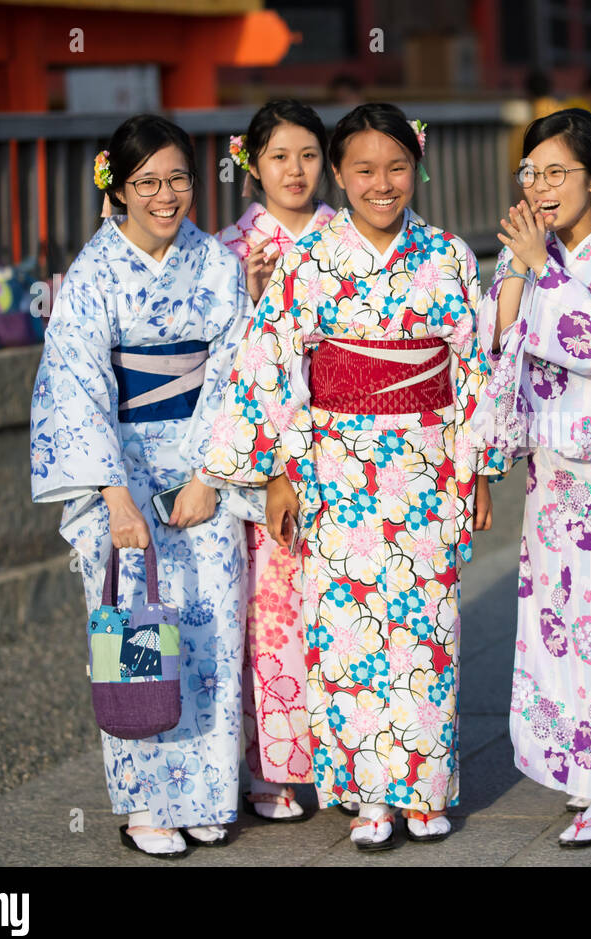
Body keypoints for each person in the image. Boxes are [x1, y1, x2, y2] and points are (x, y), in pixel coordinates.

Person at [205, 103, 504, 851]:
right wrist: (276, 472)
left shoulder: (448, 256)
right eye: (364, 169)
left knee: (427, 631)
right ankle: (366, 796)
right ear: (340, 174)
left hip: (429, 465)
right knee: (343, 633)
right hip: (333, 467)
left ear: (418, 168)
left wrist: (482, 470)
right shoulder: (309, 259)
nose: (382, 183)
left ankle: (424, 789)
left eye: (397, 167)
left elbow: (474, 372)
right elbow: (270, 367)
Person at [30, 114, 257, 857]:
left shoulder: (218, 266)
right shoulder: (92, 274)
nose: (166, 196)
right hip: (118, 475)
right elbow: (73, 388)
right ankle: (144, 802)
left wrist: (208, 475)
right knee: (134, 630)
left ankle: (206, 793)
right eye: (147, 183)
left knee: (211, 626)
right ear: (118, 189)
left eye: (178, 179)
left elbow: (236, 376)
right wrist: (112, 494)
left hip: (202, 472)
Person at [471, 108, 591, 847]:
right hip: (554, 465)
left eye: (559, 172)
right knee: (556, 616)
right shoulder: (531, 252)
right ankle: (576, 766)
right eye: (533, 172)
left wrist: (537, 269)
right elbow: (495, 335)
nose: (543, 187)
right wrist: (523, 269)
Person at [216, 99, 338, 823]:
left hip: (349, 446)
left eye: (308, 156)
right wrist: (253, 301)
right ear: (251, 165)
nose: (295, 171)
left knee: (345, 602)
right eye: (278, 157)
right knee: (272, 610)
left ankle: (348, 755)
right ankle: (275, 766)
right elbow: (221, 365)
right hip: (270, 454)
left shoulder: (348, 237)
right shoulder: (224, 250)